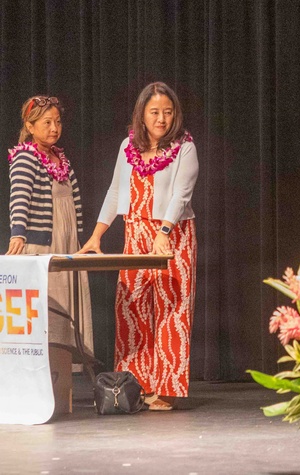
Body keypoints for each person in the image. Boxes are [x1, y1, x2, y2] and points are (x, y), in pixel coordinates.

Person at [79, 82, 199, 411]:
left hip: (173, 236)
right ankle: (134, 387)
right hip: (136, 233)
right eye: (154, 112)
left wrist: (164, 231)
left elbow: (181, 194)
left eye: (167, 112)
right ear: (142, 115)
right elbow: (116, 191)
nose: (161, 118)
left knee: (169, 312)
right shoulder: (128, 146)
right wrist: (97, 234)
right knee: (131, 309)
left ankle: (162, 389)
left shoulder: (184, 147)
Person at [7, 95, 95, 392]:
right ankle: (39, 381)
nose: (54, 127)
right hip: (44, 242)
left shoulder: (62, 159)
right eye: (47, 122)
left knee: (69, 303)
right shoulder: (25, 157)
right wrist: (18, 232)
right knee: (48, 309)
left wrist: (80, 239)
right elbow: (20, 197)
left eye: (57, 121)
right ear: (30, 126)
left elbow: (75, 202)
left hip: (67, 241)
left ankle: (62, 378)